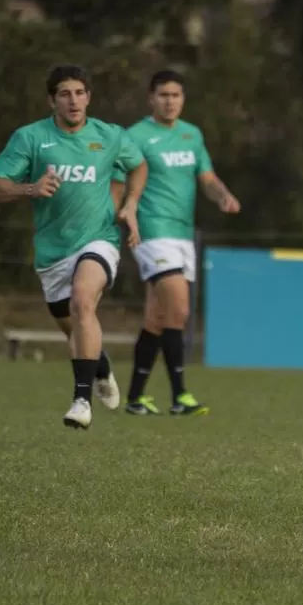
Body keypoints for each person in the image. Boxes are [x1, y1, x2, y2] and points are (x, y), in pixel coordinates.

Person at [0, 63, 148, 429]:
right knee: (74, 325)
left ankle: (81, 401)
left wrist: (131, 204)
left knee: (82, 300)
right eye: (64, 93)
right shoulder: (29, 138)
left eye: (79, 93)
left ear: (89, 97)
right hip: (52, 252)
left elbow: (138, 166)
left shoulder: (110, 136)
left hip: (99, 240)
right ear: (51, 100)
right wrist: (30, 188)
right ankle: (100, 364)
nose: (73, 101)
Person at [121, 69, 240, 417]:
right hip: (151, 232)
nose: (169, 101)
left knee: (158, 317)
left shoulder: (191, 135)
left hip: (183, 234)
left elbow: (207, 177)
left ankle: (135, 398)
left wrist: (223, 196)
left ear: (183, 99)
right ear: (150, 99)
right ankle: (179, 397)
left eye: (175, 95)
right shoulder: (136, 136)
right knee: (180, 309)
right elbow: (118, 179)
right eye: (163, 95)